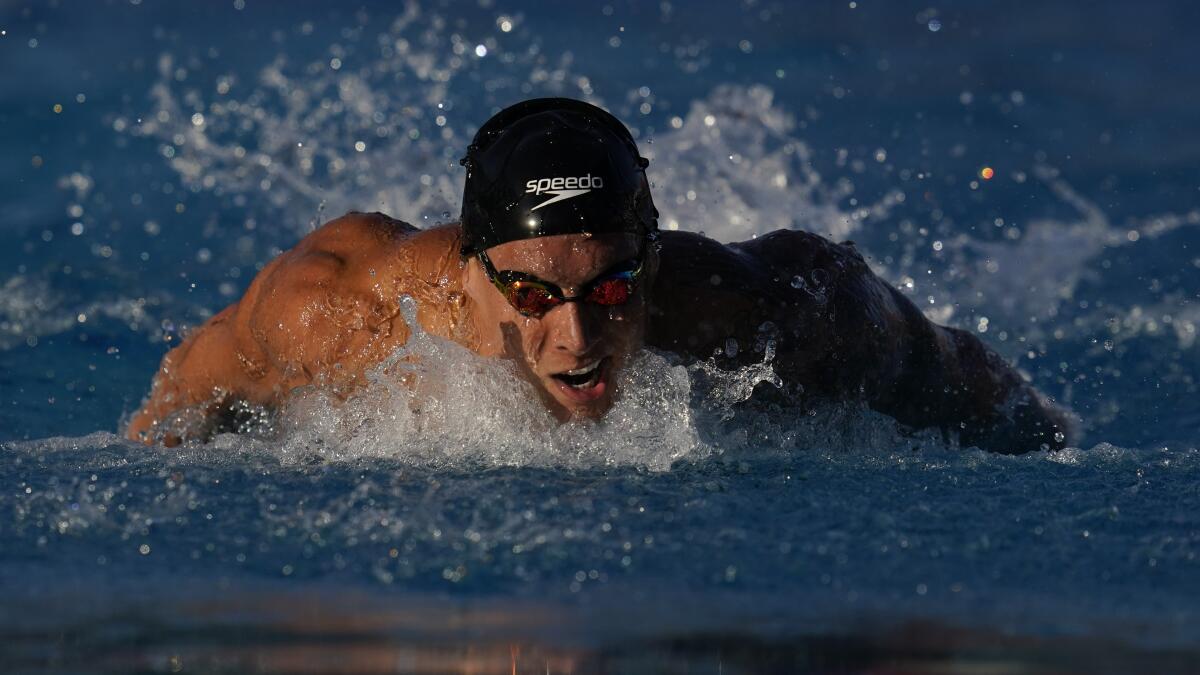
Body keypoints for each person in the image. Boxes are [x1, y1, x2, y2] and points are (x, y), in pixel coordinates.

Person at [126, 98, 1072, 454]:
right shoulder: (335, 309)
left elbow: (948, 369)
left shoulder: (766, 313)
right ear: (473, 272)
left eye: (611, 288)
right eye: (532, 294)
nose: (577, 337)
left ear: (651, 265)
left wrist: (1058, 447)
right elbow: (174, 404)